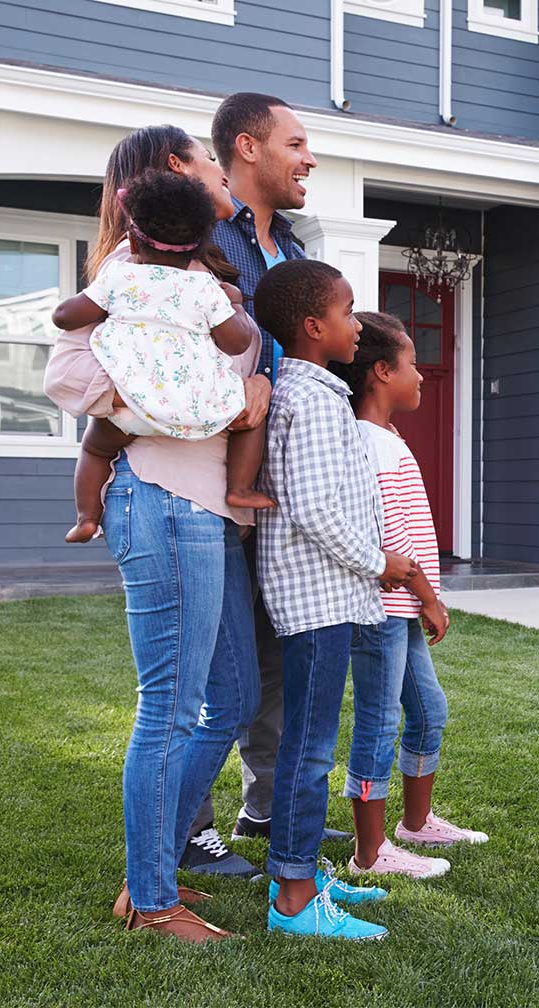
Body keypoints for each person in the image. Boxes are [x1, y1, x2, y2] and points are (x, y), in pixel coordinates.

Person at [43, 124, 270, 940]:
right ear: (178, 173)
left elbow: (232, 360)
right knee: (171, 707)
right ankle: (150, 899)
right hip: (164, 497)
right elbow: (68, 374)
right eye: (208, 159)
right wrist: (163, 401)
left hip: (207, 503)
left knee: (231, 697)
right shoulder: (126, 275)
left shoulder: (200, 276)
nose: (220, 169)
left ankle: (158, 866)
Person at [180, 93, 354, 874]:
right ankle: (188, 829)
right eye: (297, 142)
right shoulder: (196, 237)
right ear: (247, 148)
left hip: (277, 490)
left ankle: (267, 809)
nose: (309, 157)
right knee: (210, 675)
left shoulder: (286, 245)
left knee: (276, 656)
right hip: (207, 486)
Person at [253, 259, 415, 940]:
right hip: (316, 600)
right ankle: (293, 897)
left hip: (324, 596)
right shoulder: (314, 399)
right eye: (349, 313)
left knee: (309, 744)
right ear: (315, 327)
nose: (358, 325)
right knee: (310, 751)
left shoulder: (315, 391)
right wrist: (381, 561)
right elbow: (316, 509)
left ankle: (301, 873)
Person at [327, 311, 487, 879]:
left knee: (428, 712)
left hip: (400, 609)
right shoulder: (369, 444)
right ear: (379, 372)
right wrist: (428, 595)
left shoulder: (386, 437)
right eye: (413, 365)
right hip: (379, 610)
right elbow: (386, 535)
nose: (421, 376)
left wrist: (420, 600)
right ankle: (369, 854)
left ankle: (415, 824)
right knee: (377, 723)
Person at [54, 168, 273, 544]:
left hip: (131, 411)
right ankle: (239, 487)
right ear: (202, 245)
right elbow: (236, 343)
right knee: (252, 416)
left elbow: (65, 317)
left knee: (94, 447)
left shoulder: (119, 278)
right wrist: (234, 305)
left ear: (134, 245)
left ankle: (87, 516)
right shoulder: (206, 288)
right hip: (200, 412)